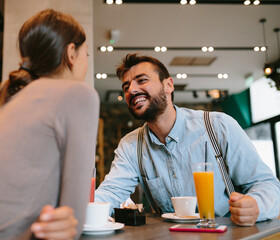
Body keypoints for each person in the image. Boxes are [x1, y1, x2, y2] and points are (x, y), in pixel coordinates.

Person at [0, 9, 99, 240]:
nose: (85, 63)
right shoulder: (78, 95)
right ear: (71, 52)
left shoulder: (2, 99)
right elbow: (73, 221)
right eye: (87, 55)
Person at [95, 53, 280, 226]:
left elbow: (267, 185)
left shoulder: (218, 126)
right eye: (126, 87)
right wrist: (78, 211)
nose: (132, 90)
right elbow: (110, 193)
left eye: (141, 80)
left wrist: (257, 205)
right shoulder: (131, 145)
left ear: (169, 85)